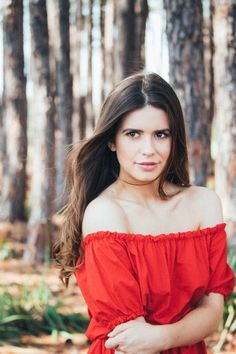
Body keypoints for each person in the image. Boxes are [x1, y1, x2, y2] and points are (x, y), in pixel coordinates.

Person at [54, 72, 235, 354]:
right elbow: (130, 341)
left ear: (174, 140)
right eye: (133, 134)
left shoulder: (204, 203)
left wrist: (162, 337)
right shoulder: (105, 213)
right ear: (112, 141)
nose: (148, 150)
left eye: (160, 134)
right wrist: (172, 335)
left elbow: (212, 313)